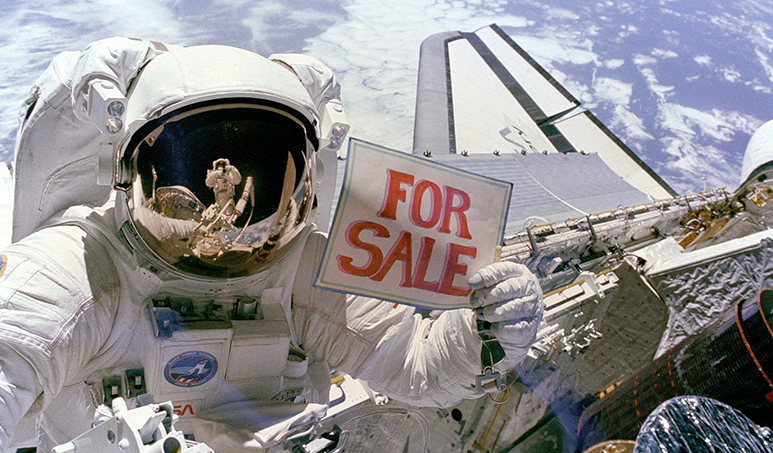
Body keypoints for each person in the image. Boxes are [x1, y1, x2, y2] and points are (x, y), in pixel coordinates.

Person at [0, 37, 543, 452]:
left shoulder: (300, 269)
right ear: (124, 179)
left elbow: (416, 365)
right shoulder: (83, 268)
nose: (226, 247)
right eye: (198, 168)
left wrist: (486, 336)